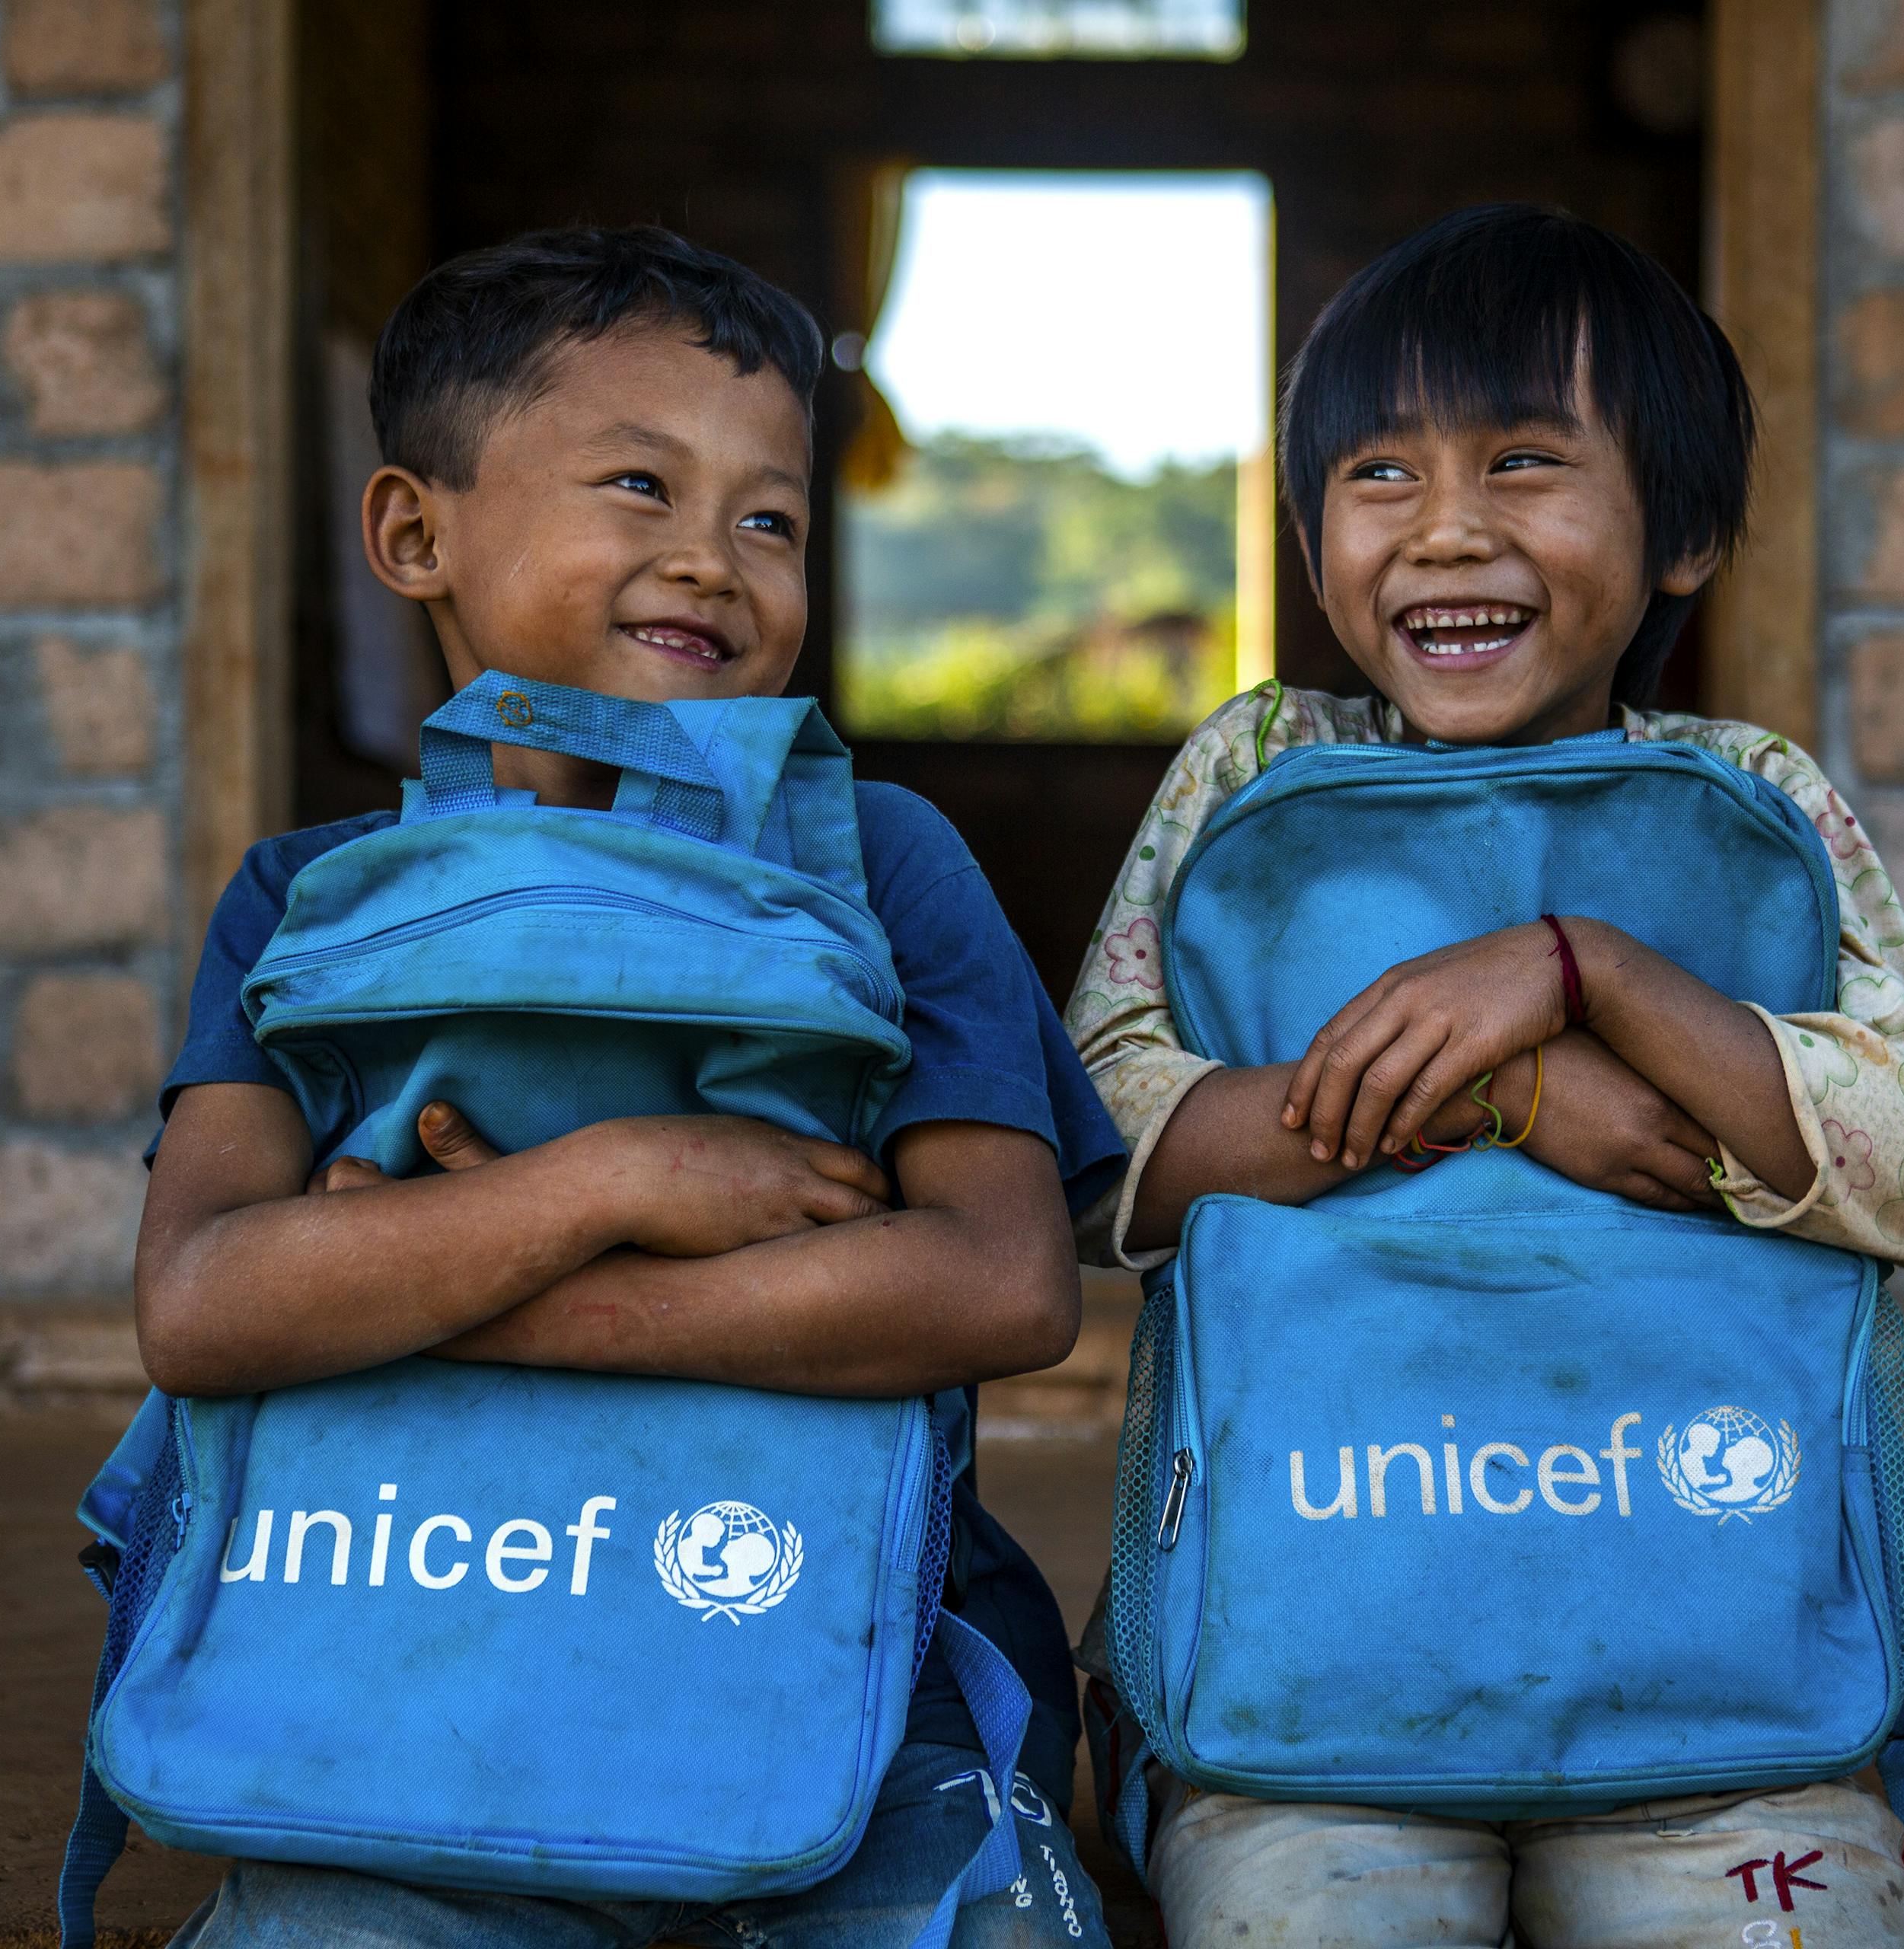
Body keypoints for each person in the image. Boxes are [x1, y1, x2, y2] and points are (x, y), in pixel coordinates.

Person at [137, 226, 1121, 1949]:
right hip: (408, 1636)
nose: (714, 562)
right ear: (413, 531)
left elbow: (1000, 1278)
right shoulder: (306, 902)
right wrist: (621, 1179)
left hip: (839, 1655)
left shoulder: (882, 863)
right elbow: (206, 1302)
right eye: (639, 487)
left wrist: (456, 1278)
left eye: (769, 519)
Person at [1066, 203, 1904, 1949]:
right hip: (1310, 1667)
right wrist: (1499, 1099)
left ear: (1691, 531)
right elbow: (1093, 1145)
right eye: (1378, 477)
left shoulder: (1758, 802)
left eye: (1521, 463)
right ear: (1307, 528)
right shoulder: (1253, 771)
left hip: (1718, 1671)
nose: (1447, 532)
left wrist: (1592, 973)